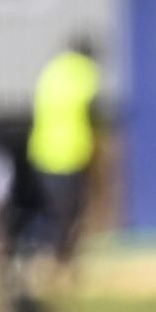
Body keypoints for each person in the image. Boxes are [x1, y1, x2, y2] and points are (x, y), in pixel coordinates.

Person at [22, 37, 103, 279]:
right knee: (70, 212)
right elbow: (91, 111)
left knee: (50, 210)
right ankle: (59, 262)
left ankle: (45, 256)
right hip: (70, 152)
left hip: (42, 150)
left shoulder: (52, 71)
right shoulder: (85, 72)